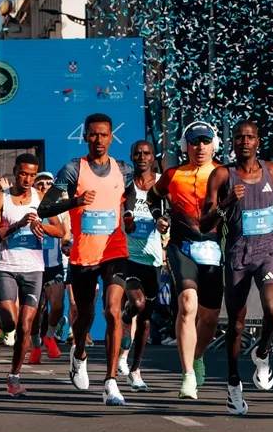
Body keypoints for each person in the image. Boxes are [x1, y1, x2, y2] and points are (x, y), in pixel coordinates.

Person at [200, 121, 273, 415]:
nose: (245, 141)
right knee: (236, 324)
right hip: (237, 255)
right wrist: (227, 202)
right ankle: (233, 383)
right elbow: (204, 224)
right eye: (239, 137)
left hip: (268, 251)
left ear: (258, 141)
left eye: (250, 137)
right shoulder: (222, 175)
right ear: (232, 142)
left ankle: (263, 351)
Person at [37, 113, 134, 407]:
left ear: (111, 137)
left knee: (113, 310)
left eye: (104, 135)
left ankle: (110, 382)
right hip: (84, 254)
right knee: (85, 315)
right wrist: (75, 202)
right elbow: (44, 208)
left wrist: (128, 213)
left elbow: (129, 192)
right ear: (85, 137)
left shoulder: (123, 169)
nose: (98, 140)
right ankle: (79, 352)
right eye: (93, 134)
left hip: (114, 250)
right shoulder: (72, 170)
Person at [151, 121, 223, 399]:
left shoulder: (223, 173)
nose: (200, 147)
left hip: (214, 248)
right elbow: (153, 197)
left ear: (214, 145)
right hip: (182, 246)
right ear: (185, 146)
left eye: (205, 141)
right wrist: (159, 217)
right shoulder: (172, 175)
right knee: (188, 305)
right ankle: (187, 375)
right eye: (194, 142)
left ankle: (198, 356)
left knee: (210, 317)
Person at [0, 153, 63, 397]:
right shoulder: (1, 198)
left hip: (33, 268)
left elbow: (60, 231)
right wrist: (18, 225)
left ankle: (14, 377)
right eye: (23, 174)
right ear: (15, 172)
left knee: (26, 325)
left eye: (32, 175)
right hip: (6, 266)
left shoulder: (41, 198)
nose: (27, 179)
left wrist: (42, 226)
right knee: (10, 322)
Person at [119, 141, 168, 392]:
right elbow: (121, 208)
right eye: (137, 153)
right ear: (131, 156)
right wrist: (127, 221)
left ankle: (135, 370)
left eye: (146, 153)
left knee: (147, 321)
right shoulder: (126, 183)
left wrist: (164, 223)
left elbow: (170, 212)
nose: (141, 157)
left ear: (152, 157)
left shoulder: (161, 183)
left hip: (154, 260)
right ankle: (126, 319)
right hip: (128, 257)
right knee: (136, 304)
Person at [27, 171, 68, 365]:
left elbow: (64, 233)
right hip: (32, 264)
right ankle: (36, 345)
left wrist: (66, 244)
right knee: (35, 310)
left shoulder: (59, 207)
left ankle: (49, 336)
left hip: (53, 264)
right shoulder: (28, 205)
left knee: (58, 305)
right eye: (40, 183)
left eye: (48, 183)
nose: (44, 186)